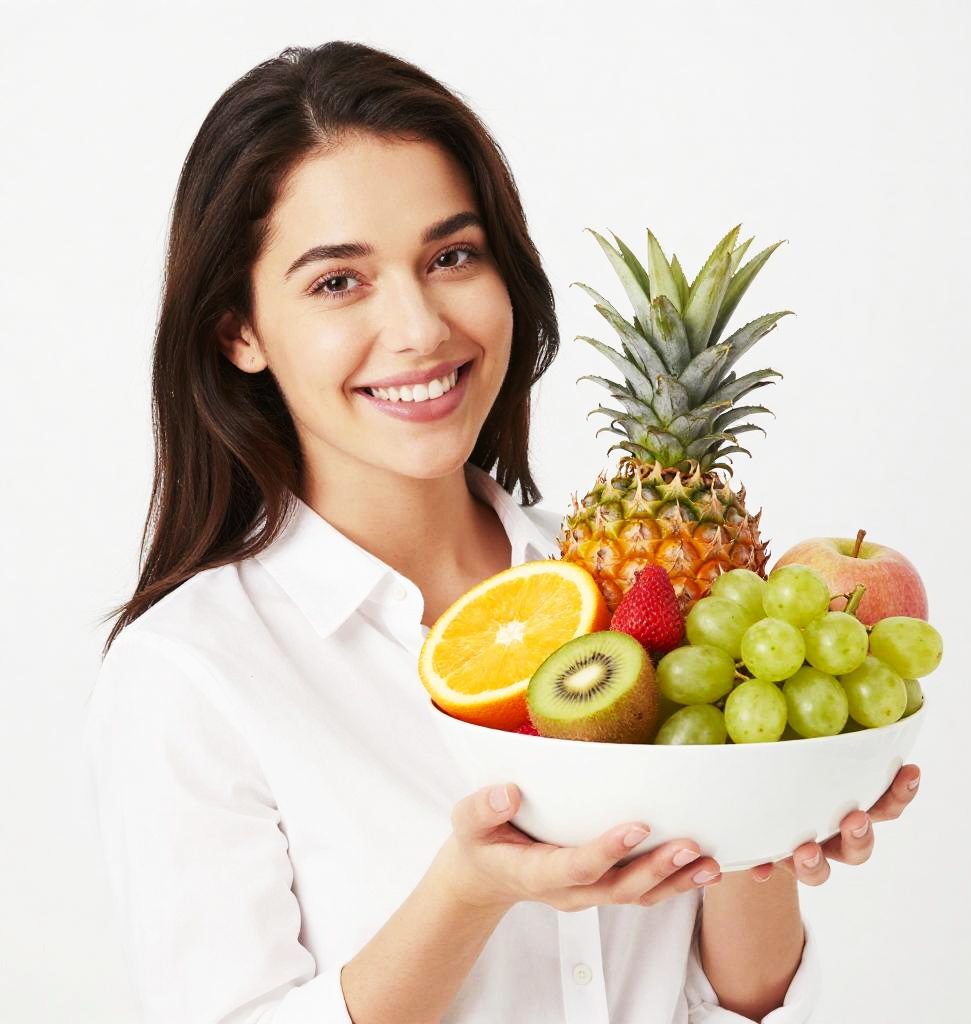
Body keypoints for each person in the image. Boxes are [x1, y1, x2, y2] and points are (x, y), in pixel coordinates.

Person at [83, 41, 921, 1024]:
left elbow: (734, 1007)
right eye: (337, 282)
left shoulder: (637, 592)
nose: (419, 329)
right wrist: (468, 891)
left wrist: (766, 815)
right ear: (240, 330)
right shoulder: (190, 675)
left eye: (450, 257)